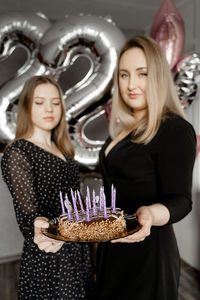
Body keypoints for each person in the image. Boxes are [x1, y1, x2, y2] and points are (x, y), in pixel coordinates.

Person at [94, 35, 196, 300]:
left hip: (148, 254)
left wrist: (149, 214)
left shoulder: (175, 129)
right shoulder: (121, 131)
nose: (132, 84)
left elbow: (181, 200)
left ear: (158, 77)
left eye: (142, 73)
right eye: (124, 75)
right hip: (111, 248)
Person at [1, 75, 94, 300]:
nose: (49, 108)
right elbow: (28, 215)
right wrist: (42, 227)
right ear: (26, 107)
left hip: (78, 248)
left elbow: (73, 201)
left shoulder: (63, 149)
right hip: (51, 256)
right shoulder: (18, 153)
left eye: (55, 102)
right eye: (40, 102)